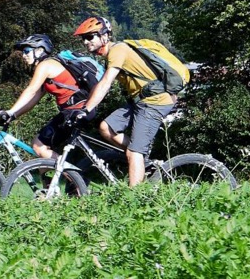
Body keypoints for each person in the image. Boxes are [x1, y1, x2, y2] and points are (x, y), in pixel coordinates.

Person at [71, 17, 177, 186]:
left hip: (155, 102)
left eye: (90, 37)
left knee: (134, 152)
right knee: (106, 127)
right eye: (83, 38)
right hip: (139, 102)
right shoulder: (110, 55)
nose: (85, 42)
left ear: (105, 36)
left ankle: (134, 200)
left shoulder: (118, 50)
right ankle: (141, 158)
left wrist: (86, 109)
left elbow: (106, 82)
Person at [0, 34, 90, 159]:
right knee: (40, 149)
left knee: (39, 146)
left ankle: (75, 177)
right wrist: (13, 115)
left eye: (27, 51)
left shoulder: (45, 65)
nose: (24, 55)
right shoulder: (48, 70)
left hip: (76, 111)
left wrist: (10, 111)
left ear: (40, 50)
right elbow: (33, 99)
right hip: (72, 111)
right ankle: (48, 178)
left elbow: (30, 90)